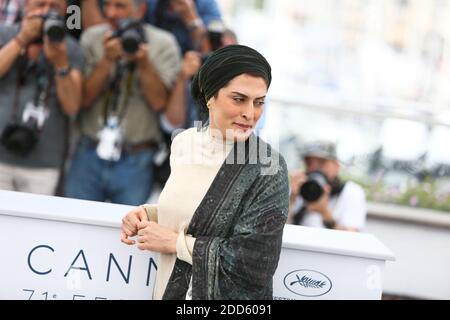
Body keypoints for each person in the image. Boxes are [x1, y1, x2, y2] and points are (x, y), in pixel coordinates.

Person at [120, 44, 289, 300]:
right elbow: (194, 213)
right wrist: (148, 215)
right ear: (210, 96)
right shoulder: (184, 142)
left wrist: (174, 243)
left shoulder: (268, 167)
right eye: (239, 99)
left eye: (259, 102)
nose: (250, 113)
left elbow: (255, 263)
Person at [64, 0, 181, 205]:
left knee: (127, 232)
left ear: (140, 10)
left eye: (120, 6)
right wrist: (107, 61)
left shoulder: (163, 43)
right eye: (107, 5)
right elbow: (83, 100)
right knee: (74, 226)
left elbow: (159, 103)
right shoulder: (93, 37)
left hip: (137, 157)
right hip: (89, 150)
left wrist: (144, 64)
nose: (110, 13)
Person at [0, 0, 83, 195]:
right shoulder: (5, 34)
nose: (45, 12)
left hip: (44, 161)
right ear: (25, 6)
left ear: (65, 10)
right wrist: (21, 40)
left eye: (53, 7)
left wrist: (61, 63)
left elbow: (72, 107)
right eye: (40, 5)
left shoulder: (70, 48)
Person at [287, 141, 367, 231]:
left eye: (321, 163)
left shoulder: (351, 192)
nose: (314, 168)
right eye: (309, 163)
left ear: (336, 166)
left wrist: (325, 213)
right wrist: (291, 199)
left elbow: (352, 238)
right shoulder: (298, 188)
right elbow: (278, 229)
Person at [145, 0, 222, 54]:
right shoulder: (152, 3)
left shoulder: (207, 5)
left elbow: (208, 53)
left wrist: (191, 17)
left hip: (192, 67)